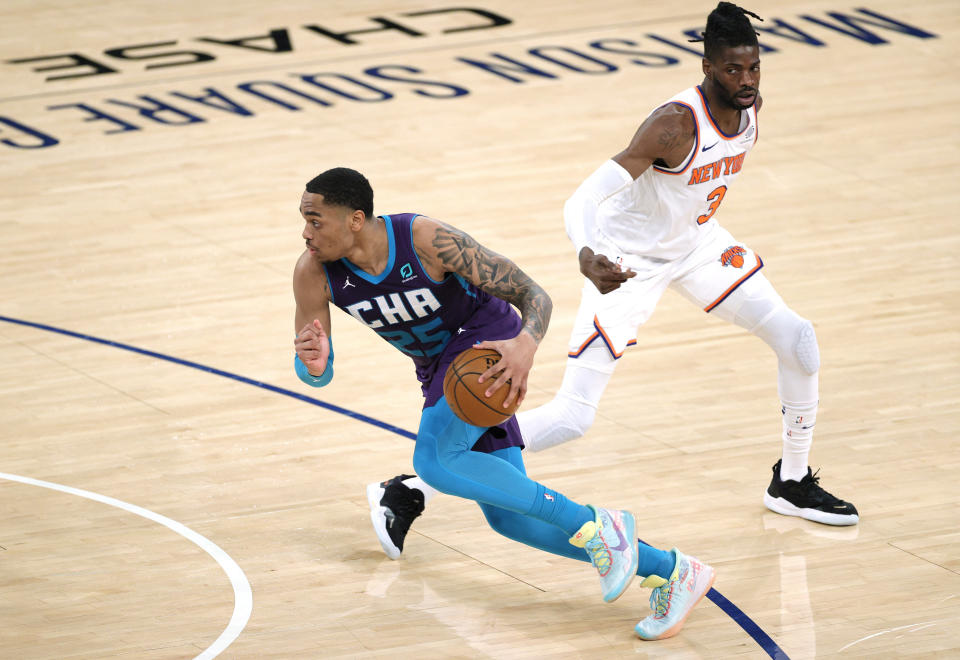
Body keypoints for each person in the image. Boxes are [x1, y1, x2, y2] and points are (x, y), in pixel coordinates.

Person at [369, 0, 858, 568]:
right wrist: (587, 253)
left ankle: (790, 481)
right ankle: (413, 486)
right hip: (628, 263)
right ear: (706, 65)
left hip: (697, 246)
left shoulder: (749, 107)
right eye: (731, 70)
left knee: (798, 340)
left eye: (752, 69)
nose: (745, 80)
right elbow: (582, 198)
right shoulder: (673, 126)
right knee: (576, 416)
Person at [294, 166, 715, 640]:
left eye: (315, 221)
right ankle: (675, 572)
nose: (306, 233)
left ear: (354, 219)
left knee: (433, 460)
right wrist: (314, 366)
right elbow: (315, 368)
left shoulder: (424, 239)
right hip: (440, 373)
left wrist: (525, 346)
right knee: (512, 520)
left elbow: (534, 295)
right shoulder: (314, 274)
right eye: (304, 221)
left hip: (487, 344)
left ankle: (602, 529)